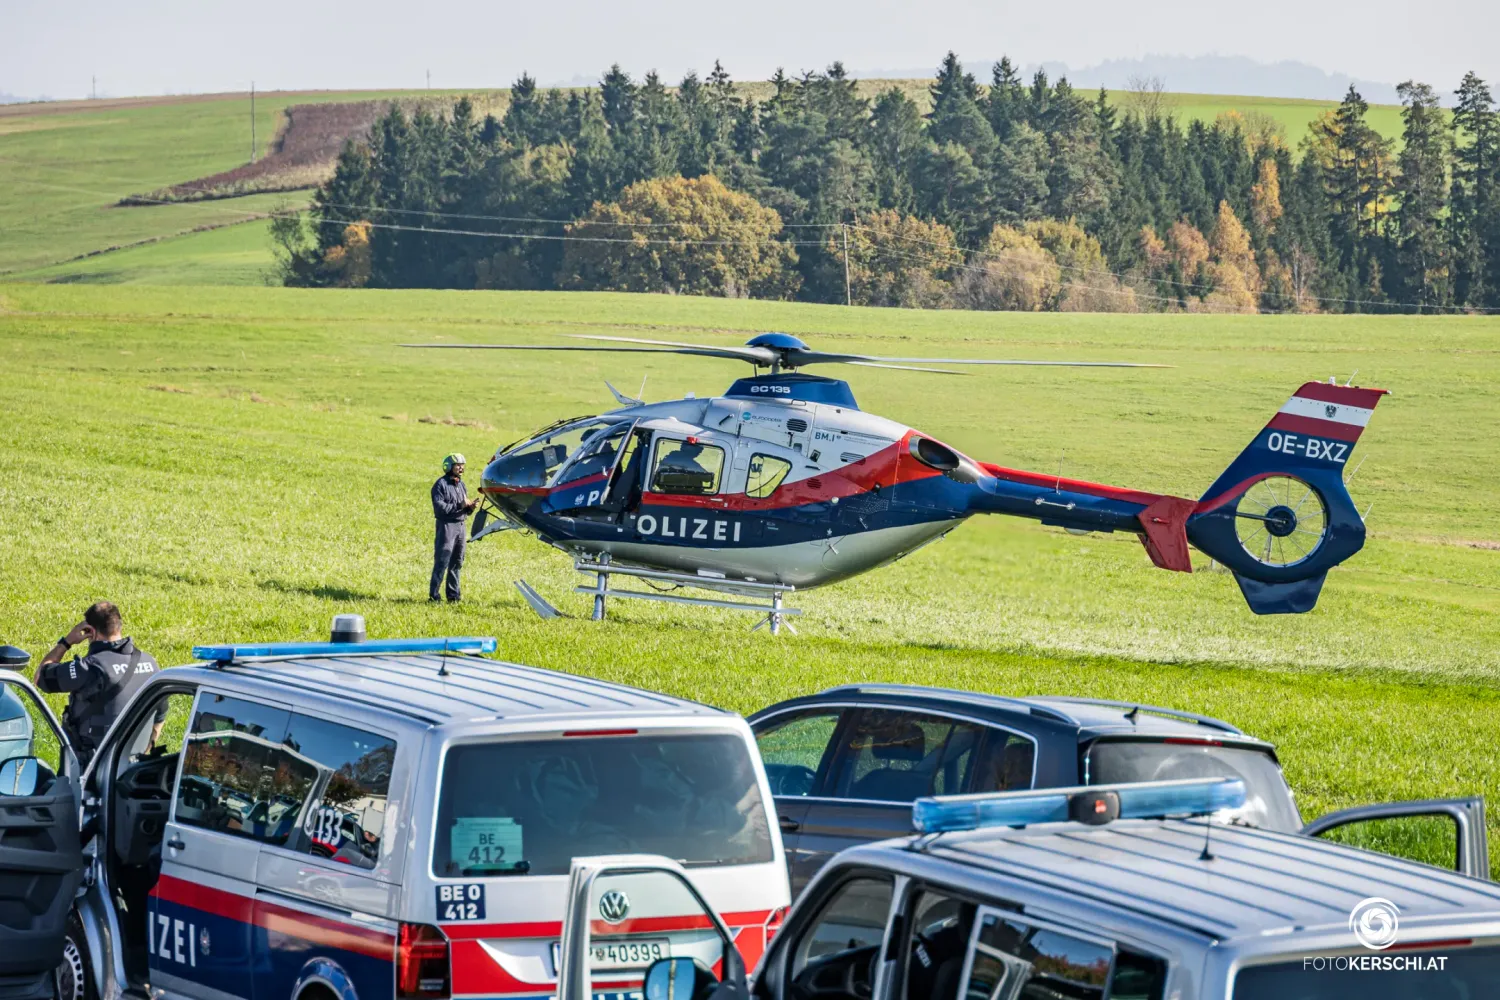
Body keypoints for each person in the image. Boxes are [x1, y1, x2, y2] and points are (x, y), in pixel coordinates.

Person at [35, 601, 163, 764]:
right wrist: (143, 754)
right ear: (118, 626)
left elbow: (40, 677)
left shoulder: (89, 668)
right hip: (133, 769)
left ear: (90, 631)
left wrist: (67, 641)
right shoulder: (150, 663)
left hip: (91, 770)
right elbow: (160, 716)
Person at [431, 453, 479, 602]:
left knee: (457, 562)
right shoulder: (441, 485)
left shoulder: (461, 485)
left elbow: (463, 509)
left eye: (462, 465)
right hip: (446, 527)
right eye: (458, 465)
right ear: (449, 467)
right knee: (442, 561)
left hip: (461, 526)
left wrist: (470, 507)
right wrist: (460, 505)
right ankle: (434, 596)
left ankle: (453, 597)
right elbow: (440, 508)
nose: (461, 468)